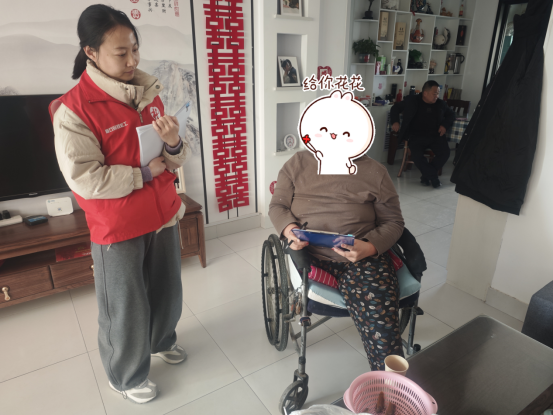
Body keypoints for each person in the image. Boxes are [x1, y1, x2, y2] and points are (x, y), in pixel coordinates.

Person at [50, 5, 189, 404]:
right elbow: (85, 179)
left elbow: (171, 157)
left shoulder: (148, 93)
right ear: (91, 53)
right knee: (125, 306)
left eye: (135, 49)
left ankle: (161, 339)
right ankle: (125, 375)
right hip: (118, 225)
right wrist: (142, 174)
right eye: (121, 53)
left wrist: (174, 144)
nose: (132, 61)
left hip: (163, 213)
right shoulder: (74, 111)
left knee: (167, 289)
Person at [269, 150, 405, 371]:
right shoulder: (297, 163)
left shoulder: (375, 171)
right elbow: (278, 206)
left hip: (362, 258)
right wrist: (290, 230)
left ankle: (389, 385)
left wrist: (369, 247)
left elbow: (393, 221)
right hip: (309, 254)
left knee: (383, 333)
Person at [390, 80, 456, 188]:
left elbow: (451, 114)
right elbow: (395, 108)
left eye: (438, 94)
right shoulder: (412, 100)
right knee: (417, 156)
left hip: (435, 135)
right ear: (425, 93)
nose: (436, 96)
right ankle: (433, 177)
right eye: (434, 94)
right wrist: (395, 121)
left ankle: (426, 176)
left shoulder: (440, 104)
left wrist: (445, 125)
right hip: (416, 136)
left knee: (445, 153)